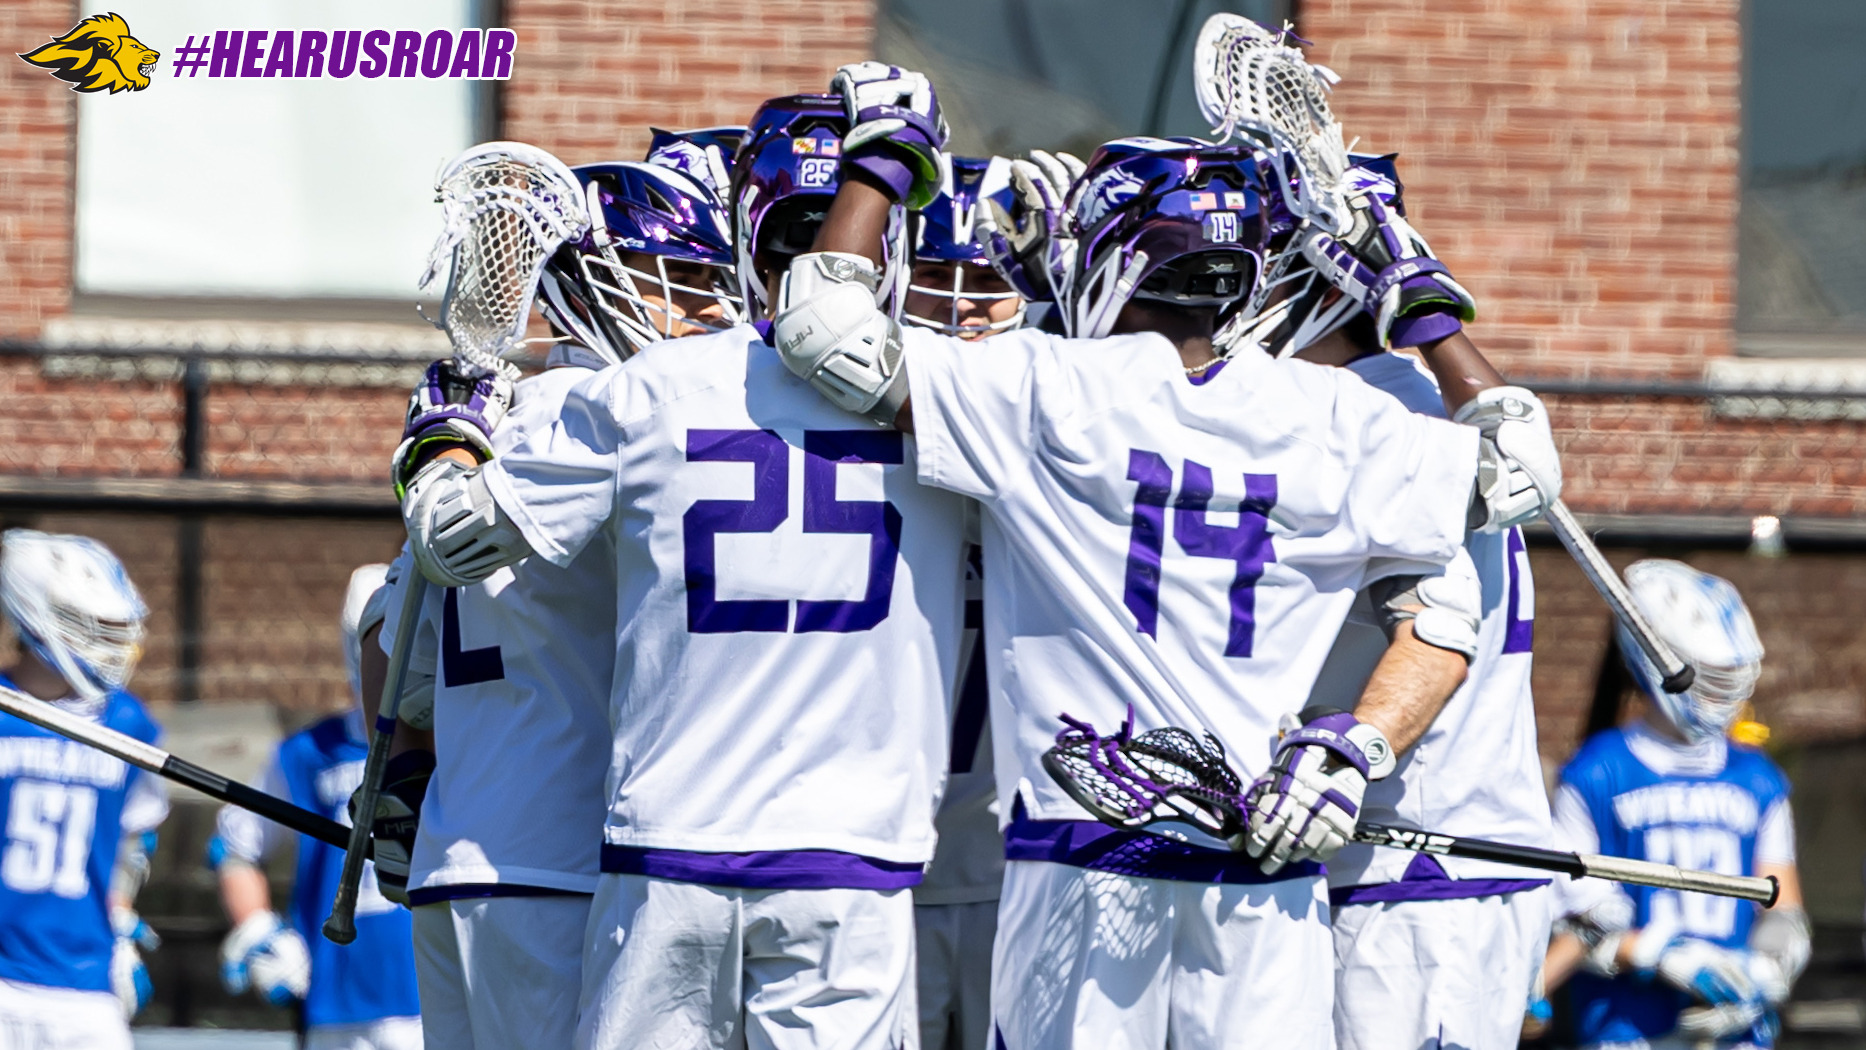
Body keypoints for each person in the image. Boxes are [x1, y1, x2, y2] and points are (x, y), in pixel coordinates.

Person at [770, 63, 1564, 1050]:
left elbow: (824, 331)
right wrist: (1354, 752)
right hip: (1268, 876)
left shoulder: (1047, 388)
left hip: (1083, 860)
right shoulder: (1339, 417)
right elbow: (1507, 494)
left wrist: (886, 157)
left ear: (1110, 255)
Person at [394, 91, 969, 1050]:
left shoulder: (638, 391)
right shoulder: (960, 396)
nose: (697, 297)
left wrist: (438, 443)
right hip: (854, 856)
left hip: (661, 843)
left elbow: (441, 559)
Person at [364, 144, 743, 1050]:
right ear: (587, 279)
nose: (712, 307)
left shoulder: (482, 430)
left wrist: (403, 783)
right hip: (575, 867)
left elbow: (392, 654)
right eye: (682, 278)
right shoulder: (625, 419)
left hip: (457, 865)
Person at [1264, 155, 1557, 1050]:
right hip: (1444, 865)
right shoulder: (1432, 405)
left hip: (1417, 871)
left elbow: (1440, 625)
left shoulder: (1351, 413)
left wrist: (1351, 751)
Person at [1544, 560, 1807, 1050]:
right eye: (1709, 675)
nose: (1720, 693)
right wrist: (1658, 953)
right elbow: (1576, 924)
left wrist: (1766, 970)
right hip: (1628, 1032)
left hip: (1733, 1033)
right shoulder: (1597, 772)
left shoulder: (1758, 778)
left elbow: (1781, 905)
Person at [904, 154, 1027, 1050]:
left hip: (1018, 865)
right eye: (936, 276)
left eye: (986, 281)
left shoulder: (1071, 419)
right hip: (881, 864)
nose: (960, 307)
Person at [209, 564, 422, 1050]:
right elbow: (234, 846)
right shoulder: (309, 754)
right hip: (336, 1003)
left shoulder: (455, 744)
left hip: (434, 995)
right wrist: (259, 929)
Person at [0, 529, 167, 1050]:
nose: (111, 645)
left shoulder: (130, 724)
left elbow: (135, 837)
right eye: (91, 627)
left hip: (84, 981)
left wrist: (119, 914)